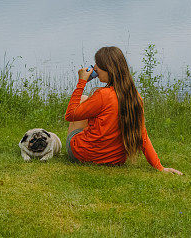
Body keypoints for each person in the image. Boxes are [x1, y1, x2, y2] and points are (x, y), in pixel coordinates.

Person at [64, 46, 183, 175]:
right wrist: (159, 167)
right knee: (95, 110)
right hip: (115, 159)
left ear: (108, 69)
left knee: (82, 99)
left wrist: (81, 82)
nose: (95, 68)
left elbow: (70, 115)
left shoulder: (103, 95)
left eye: (98, 65)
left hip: (84, 155)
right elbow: (143, 136)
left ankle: (79, 145)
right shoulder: (135, 97)